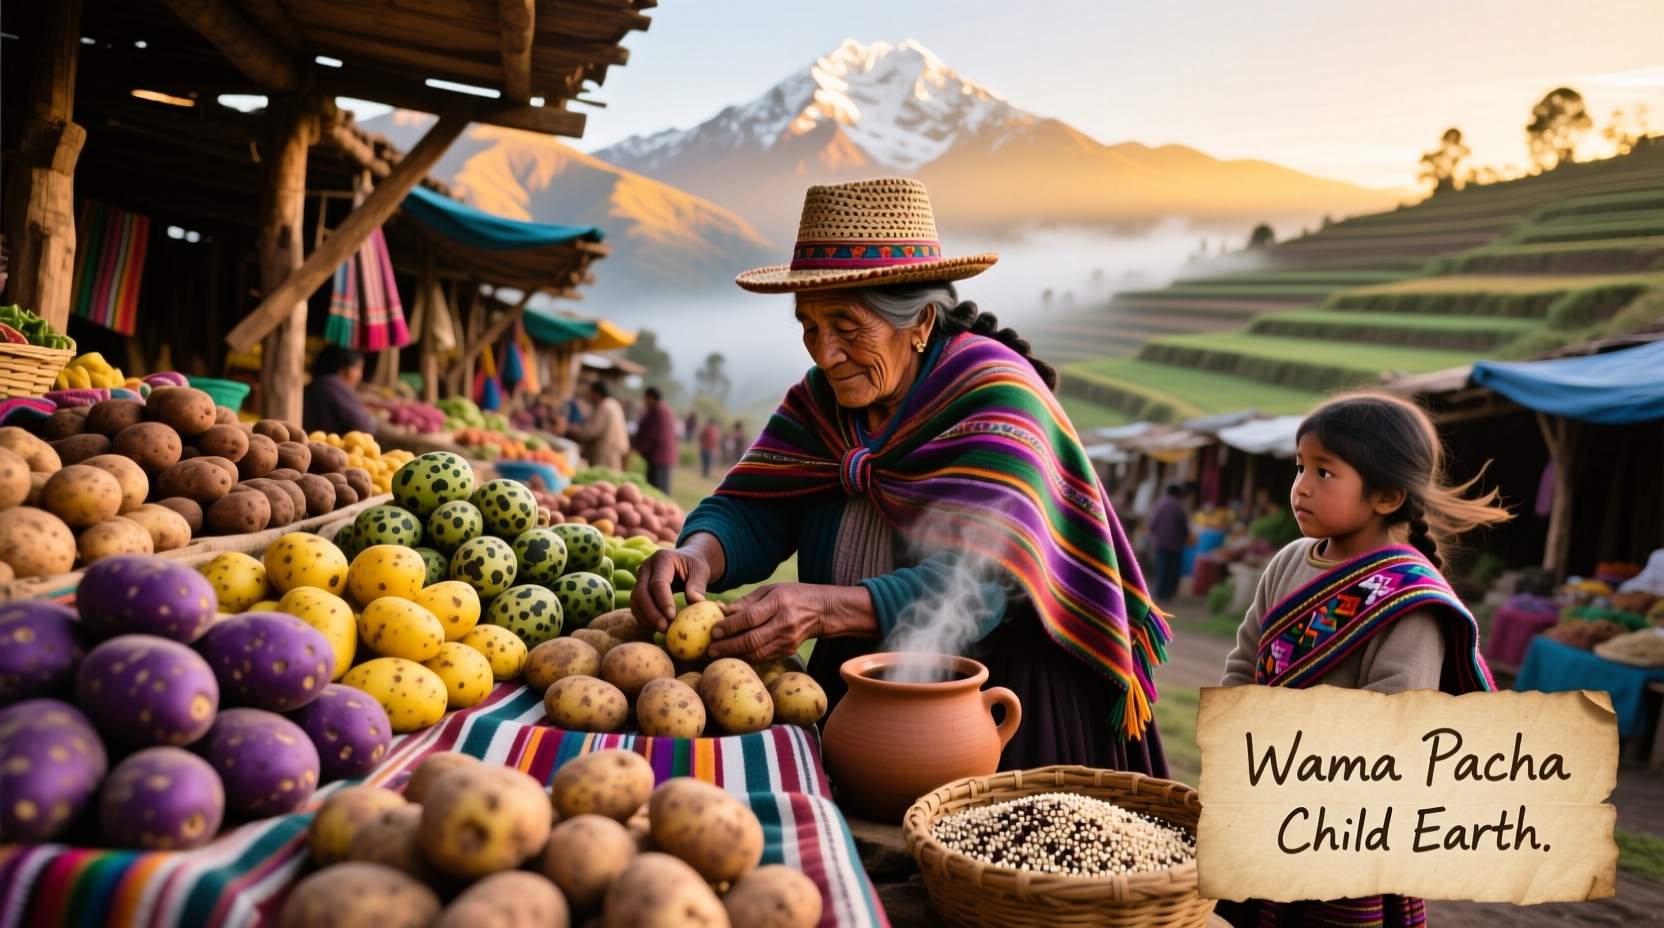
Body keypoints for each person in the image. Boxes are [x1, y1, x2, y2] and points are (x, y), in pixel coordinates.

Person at [631, 177, 1169, 773]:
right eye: (809, 326)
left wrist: (827, 609)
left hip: (991, 702)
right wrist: (700, 554)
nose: (823, 352)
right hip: (855, 690)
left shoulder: (995, 395)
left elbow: (985, 581)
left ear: (920, 321)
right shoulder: (820, 403)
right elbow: (756, 506)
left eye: (846, 325)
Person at [1215, 393, 1512, 928]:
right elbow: (1244, 662)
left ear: (1386, 495)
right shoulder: (1286, 564)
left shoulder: (1409, 599)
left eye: (1324, 472)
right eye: (1299, 466)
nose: (1301, 485)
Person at [302, 345, 377, 436]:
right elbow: (364, 426)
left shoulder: (316, 384)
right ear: (346, 369)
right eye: (359, 368)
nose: (360, 374)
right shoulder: (333, 385)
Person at [567, 380, 628, 470]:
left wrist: (572, 429)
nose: (589, 396)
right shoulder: (613, 403)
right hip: (613, 451)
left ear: (596, 393)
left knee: (604, 479)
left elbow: (591, 431)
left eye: (590, 393)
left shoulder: (604, 406)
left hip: (604, 454)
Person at [631, 385, 679, 496]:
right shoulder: (660, 409)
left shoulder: (658, 411)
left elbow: (652, 436)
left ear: (650, 397)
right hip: (660, 457)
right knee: (658, 488)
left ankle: (666, 512)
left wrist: (637, 449)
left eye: (645, 398)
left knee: (658, 490)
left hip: (660, 458)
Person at [1146, 483, 1190, 601]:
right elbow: (1183, 527)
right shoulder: (1179, 507)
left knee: (1161, 567)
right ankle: (1167, 593)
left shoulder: (1160, 504)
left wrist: (1156, 537)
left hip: (1160, 542)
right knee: (1171, 570)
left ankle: (1158, 592)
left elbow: (1152, 523)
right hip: (1175, 544)